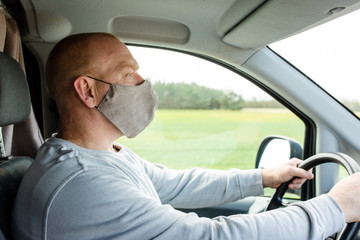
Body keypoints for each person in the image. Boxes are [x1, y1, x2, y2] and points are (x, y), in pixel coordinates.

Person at [11, 32, 360, 239]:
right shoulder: (82, 181)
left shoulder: (99, 155)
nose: (143, 84)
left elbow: (176, 184)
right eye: (129, 73)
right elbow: (206, 236)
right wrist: (334, 207)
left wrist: (265, 177)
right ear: (87, 91)